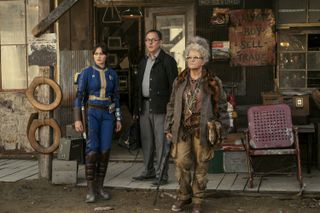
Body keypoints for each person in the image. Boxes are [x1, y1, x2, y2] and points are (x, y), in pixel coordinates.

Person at [164, 36, 228, 213]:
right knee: (181, 162)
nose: (191, 60)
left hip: (204, 130)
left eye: (196, 57)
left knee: (201, 165)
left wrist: (222, 128)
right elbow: (171, 105)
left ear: (204, 60)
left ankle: (198, 199)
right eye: (189, 57)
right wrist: (168, 127)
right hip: (182, 129)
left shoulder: (213, 82)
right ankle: (184, 196)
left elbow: (222, 106)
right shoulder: (179, 81)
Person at [74, 42, 122, 203]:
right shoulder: (86, 73)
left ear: (106, 55)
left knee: (105, 151)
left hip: (108, 114)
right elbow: (79, 97)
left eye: (102, 53)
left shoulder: (113, 74)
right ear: (93, 56)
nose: (99, 56)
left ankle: (100, 187)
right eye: (96, 54)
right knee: (92, 150)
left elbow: (116, 98)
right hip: (92, 113)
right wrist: (77, 119)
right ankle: (90, 190)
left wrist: (118, 118)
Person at [132, 29, 178, 185]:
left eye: (153, 40)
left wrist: (172, 111)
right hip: (144, 106)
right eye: (147, 40)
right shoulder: (143, 61)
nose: (150, 43)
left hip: (161, 108)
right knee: (147, 142)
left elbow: (174, 88)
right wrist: (136, 110)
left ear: (160, 42)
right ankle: (148, 170)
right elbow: (138, 88)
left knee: (161, 142)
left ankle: (162, 175)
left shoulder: (168, 61)